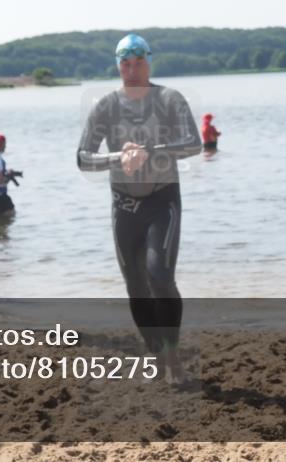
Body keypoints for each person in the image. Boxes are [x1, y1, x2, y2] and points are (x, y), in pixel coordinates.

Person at [77, 33, 202, 383]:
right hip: (124, 205)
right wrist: (120, 156)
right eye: (125, 64)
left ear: (149, 61)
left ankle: (174, 361)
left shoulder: (169, 98)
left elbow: (194, 143)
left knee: (159, 277)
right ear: (118, 65)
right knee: (136, 286)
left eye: (138, 63)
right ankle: (159, 357)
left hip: (163, 199)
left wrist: (151, 150)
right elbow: (83, 158)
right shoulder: (105, 105)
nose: (132, 70)